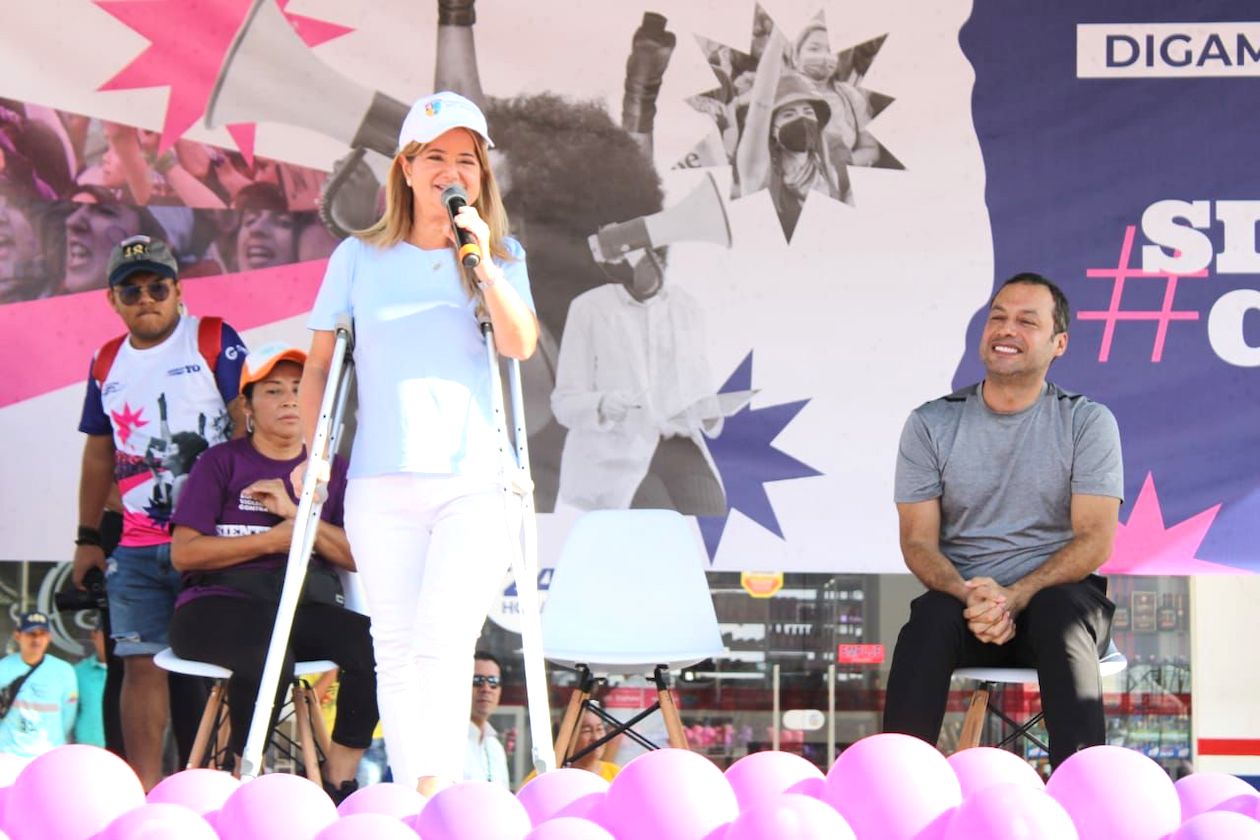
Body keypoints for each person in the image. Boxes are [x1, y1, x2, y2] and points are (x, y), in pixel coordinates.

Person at [299, 90, 537, 795]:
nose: (450, 169)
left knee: (442, 642)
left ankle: (439, 796)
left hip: (473, 479)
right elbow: (318, 365)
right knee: (394, 649)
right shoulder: (358, 258)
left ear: (482, 174)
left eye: (466, 158)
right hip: (381, 479)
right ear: (405, 168)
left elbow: (520, 342)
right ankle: (417, 792)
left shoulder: (500, 253)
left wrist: (482, 260)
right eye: (434, 156)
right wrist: (315, 453)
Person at [882, 273, 1123, 771]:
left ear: (1059, 343)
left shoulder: (1086, 421)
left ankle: (1083, 788)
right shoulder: (931, 423)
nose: (1005, 329)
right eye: (998, 317)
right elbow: (918, 542)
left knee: (1060, 610)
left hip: (1059, 604)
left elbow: (1096, 539)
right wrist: (971, 595)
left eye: (1026, 321)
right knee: (928, 620)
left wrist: (1018, 595)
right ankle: (898, 785)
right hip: (969, 606)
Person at [72, 234, 248, 790]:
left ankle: (213, 788)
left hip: (212, 540)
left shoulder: (212, 337)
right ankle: (142, 795)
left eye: (157, 287)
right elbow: (99, 450)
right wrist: (87, 538)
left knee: (217, 666)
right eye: (132, 290)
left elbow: (245, 420)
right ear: (113, 300)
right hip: (139, 542)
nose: (145, 298)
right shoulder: (106, 360)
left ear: (178, 290)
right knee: (139, 666)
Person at [169, 342, 377, 802]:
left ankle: (338, 782)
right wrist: (271, 540)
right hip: (217, 607)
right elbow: (184, 554)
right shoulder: (221, 463)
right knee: (267, 653)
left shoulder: (333, 473)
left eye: (299, 390)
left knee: (375, 645)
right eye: (273, 390)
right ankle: (245, 782)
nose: (288, 400)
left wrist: (301, 519)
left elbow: (361, 556)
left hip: (300, 605)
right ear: (247, 404)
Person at [551, 246, 725, 515]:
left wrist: (710, 413)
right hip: (615, 455)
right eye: (647, 257)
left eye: (661, 256)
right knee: (658, 526)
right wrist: (601, 404)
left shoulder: (686, 307)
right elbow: (565, 403)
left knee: (711, 519)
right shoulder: (590, 308)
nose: (656, 265)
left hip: (679, 447)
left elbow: (701, 390)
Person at [735, 25, 843, 239]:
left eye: (807, 111)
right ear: (772, 130)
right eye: (788, 114)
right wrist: (780, 30)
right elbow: (760, 106)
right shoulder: (757, 170)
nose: (801, 118)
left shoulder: (828, 172)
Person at [0, 611, 78, 759]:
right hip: (7, 754)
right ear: (18, 635)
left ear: (49, 637)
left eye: (42, 634)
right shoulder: (2, 668)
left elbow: (68, 715)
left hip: (49, 754)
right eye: (31, 634)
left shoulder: (64, 671)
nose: (37, 640)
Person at [464, 651, 509, 787]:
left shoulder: (495, 748)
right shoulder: (446, 742)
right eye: (477, 681)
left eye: (493, 682)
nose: (486, 688)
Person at [72, 612, 109, 747]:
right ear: (94, 635)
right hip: (86, 753)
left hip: (123, 754)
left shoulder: (131, 675)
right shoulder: (77, 672)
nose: (110, 639)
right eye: (105, 633)